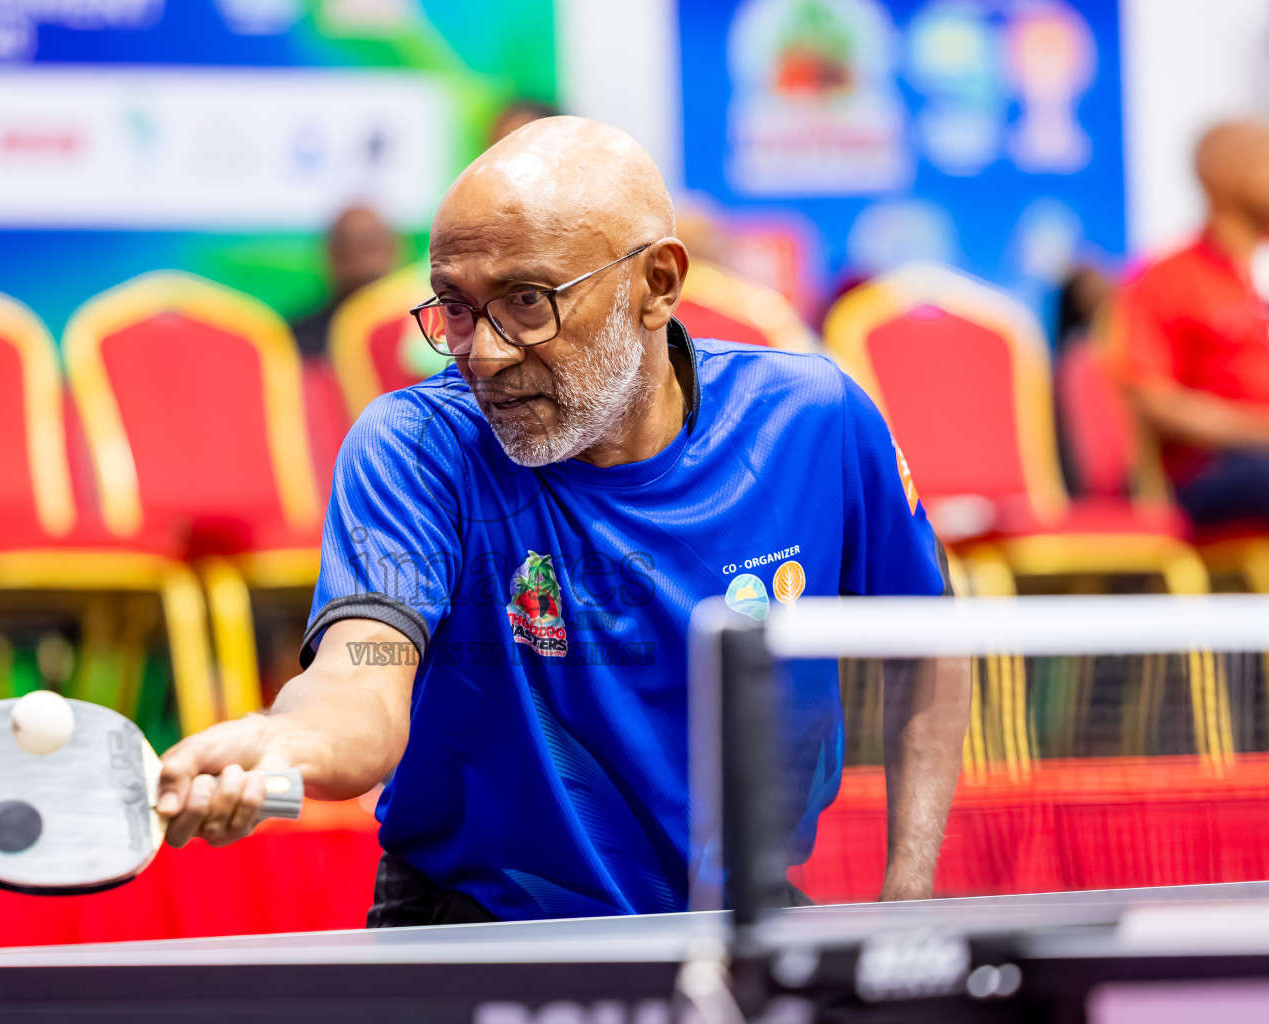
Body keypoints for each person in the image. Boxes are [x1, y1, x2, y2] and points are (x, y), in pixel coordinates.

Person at [156, 117, 970, 924]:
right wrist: (285, 741)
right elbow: (359, 678)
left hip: (738, 921)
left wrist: (908, 896)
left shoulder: (814, 420)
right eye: (456, 307)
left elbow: (929, 643)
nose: (484, 353)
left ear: (657, 284)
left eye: (526, 301)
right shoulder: (415, 446)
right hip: (481, 928)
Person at [1110, 119, 1269, 526]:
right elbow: (1152, 400)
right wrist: (1257, 430)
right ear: (1224, 175)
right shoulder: (1167, 279)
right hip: (1211, 469)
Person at [290, 205, 399, 359]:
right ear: (333, 254)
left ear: (393, 250)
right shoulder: (302, 337)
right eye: (352, 242)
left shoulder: (417, 329)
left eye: (371, 242)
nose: (366, 260)